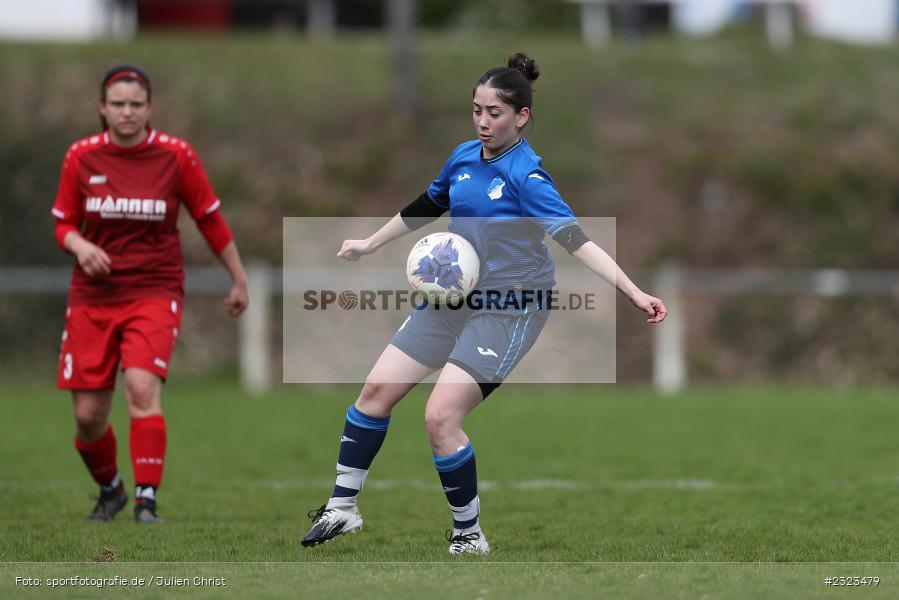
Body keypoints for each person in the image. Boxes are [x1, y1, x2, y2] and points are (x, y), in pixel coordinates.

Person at [301, 53, 667, 554]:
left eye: (494, 113)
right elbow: (428, 205)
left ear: (521, 117)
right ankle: (342, 509)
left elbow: (577, 240)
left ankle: (468, 536)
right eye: (476, 110)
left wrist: (633, 291)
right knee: (375, 391)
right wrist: (369, 243)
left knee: (440, 417)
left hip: (511, 308)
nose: (483, 122)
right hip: (452, 294)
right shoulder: (463, 157)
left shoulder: (527, 176)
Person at [51, 64, 249, 523]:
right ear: (102, 108)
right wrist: (80, 245)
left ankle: (146, 501)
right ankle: (112, 489)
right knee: (87, 417)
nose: (127, 112)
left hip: (154, 291)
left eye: (135, 104)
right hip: (92, 297)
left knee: (141, 388)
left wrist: (238, 278)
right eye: (117, 104)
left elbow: (209, 219)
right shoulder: (80, 157)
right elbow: (62, 222)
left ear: (149, 108)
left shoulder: (176, 156)